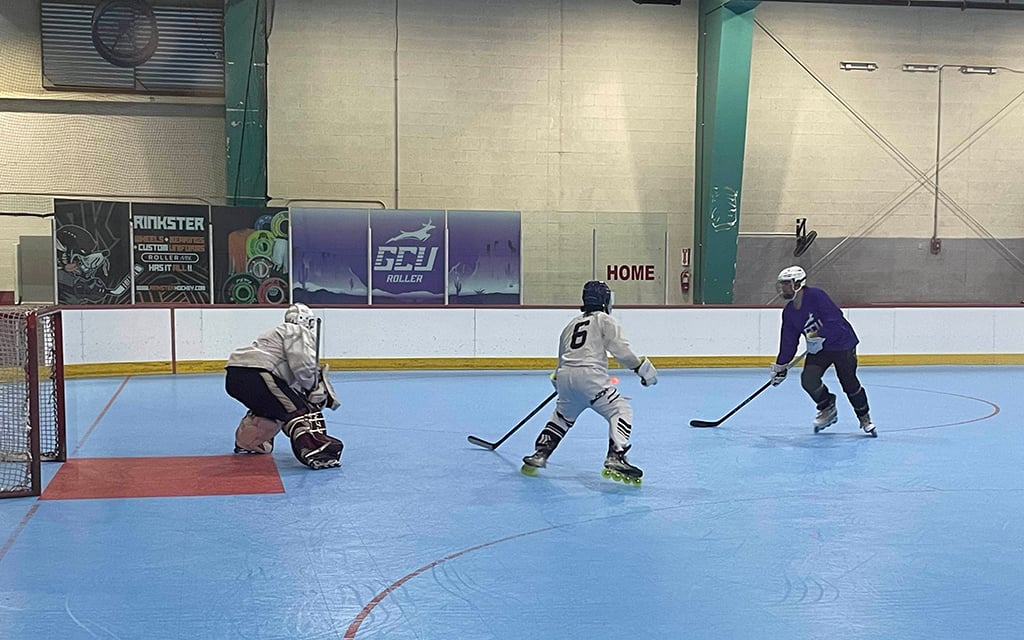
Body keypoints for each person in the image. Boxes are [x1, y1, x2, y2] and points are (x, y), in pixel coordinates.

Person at [521, 281, 658, 484]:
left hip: (566, 376)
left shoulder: (570, 325)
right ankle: (616, 455)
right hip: (591, 377)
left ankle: (540, 453)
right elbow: (620, 349)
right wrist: (640, 368)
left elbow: (562, 358)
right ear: (604, 300)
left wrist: (560, 381)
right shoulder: (605, 320)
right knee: (620, 410)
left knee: (562, 417)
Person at [224, 303, 345, 469]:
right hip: (258, 373)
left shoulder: (276, 334)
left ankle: (250, 442)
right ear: (306, 321)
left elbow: (289, 382)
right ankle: (316, 450)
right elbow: (303, 366)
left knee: (272, 410)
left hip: (235, 376)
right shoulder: (296, 331)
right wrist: (313, 387)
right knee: (300, 411)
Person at [770, 266, 877, 437]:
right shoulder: (789, 312)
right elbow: (788, 341)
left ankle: (864, 417)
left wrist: (819, 335)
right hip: (819, 348)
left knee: (848, 382)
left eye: (786, 284)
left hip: (842, 343)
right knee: (809, 380)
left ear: (798, 284)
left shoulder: (816, 296)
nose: (782, 288)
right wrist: (781, 365)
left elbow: (835, 319)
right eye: (781, 284)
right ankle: (827, 406)